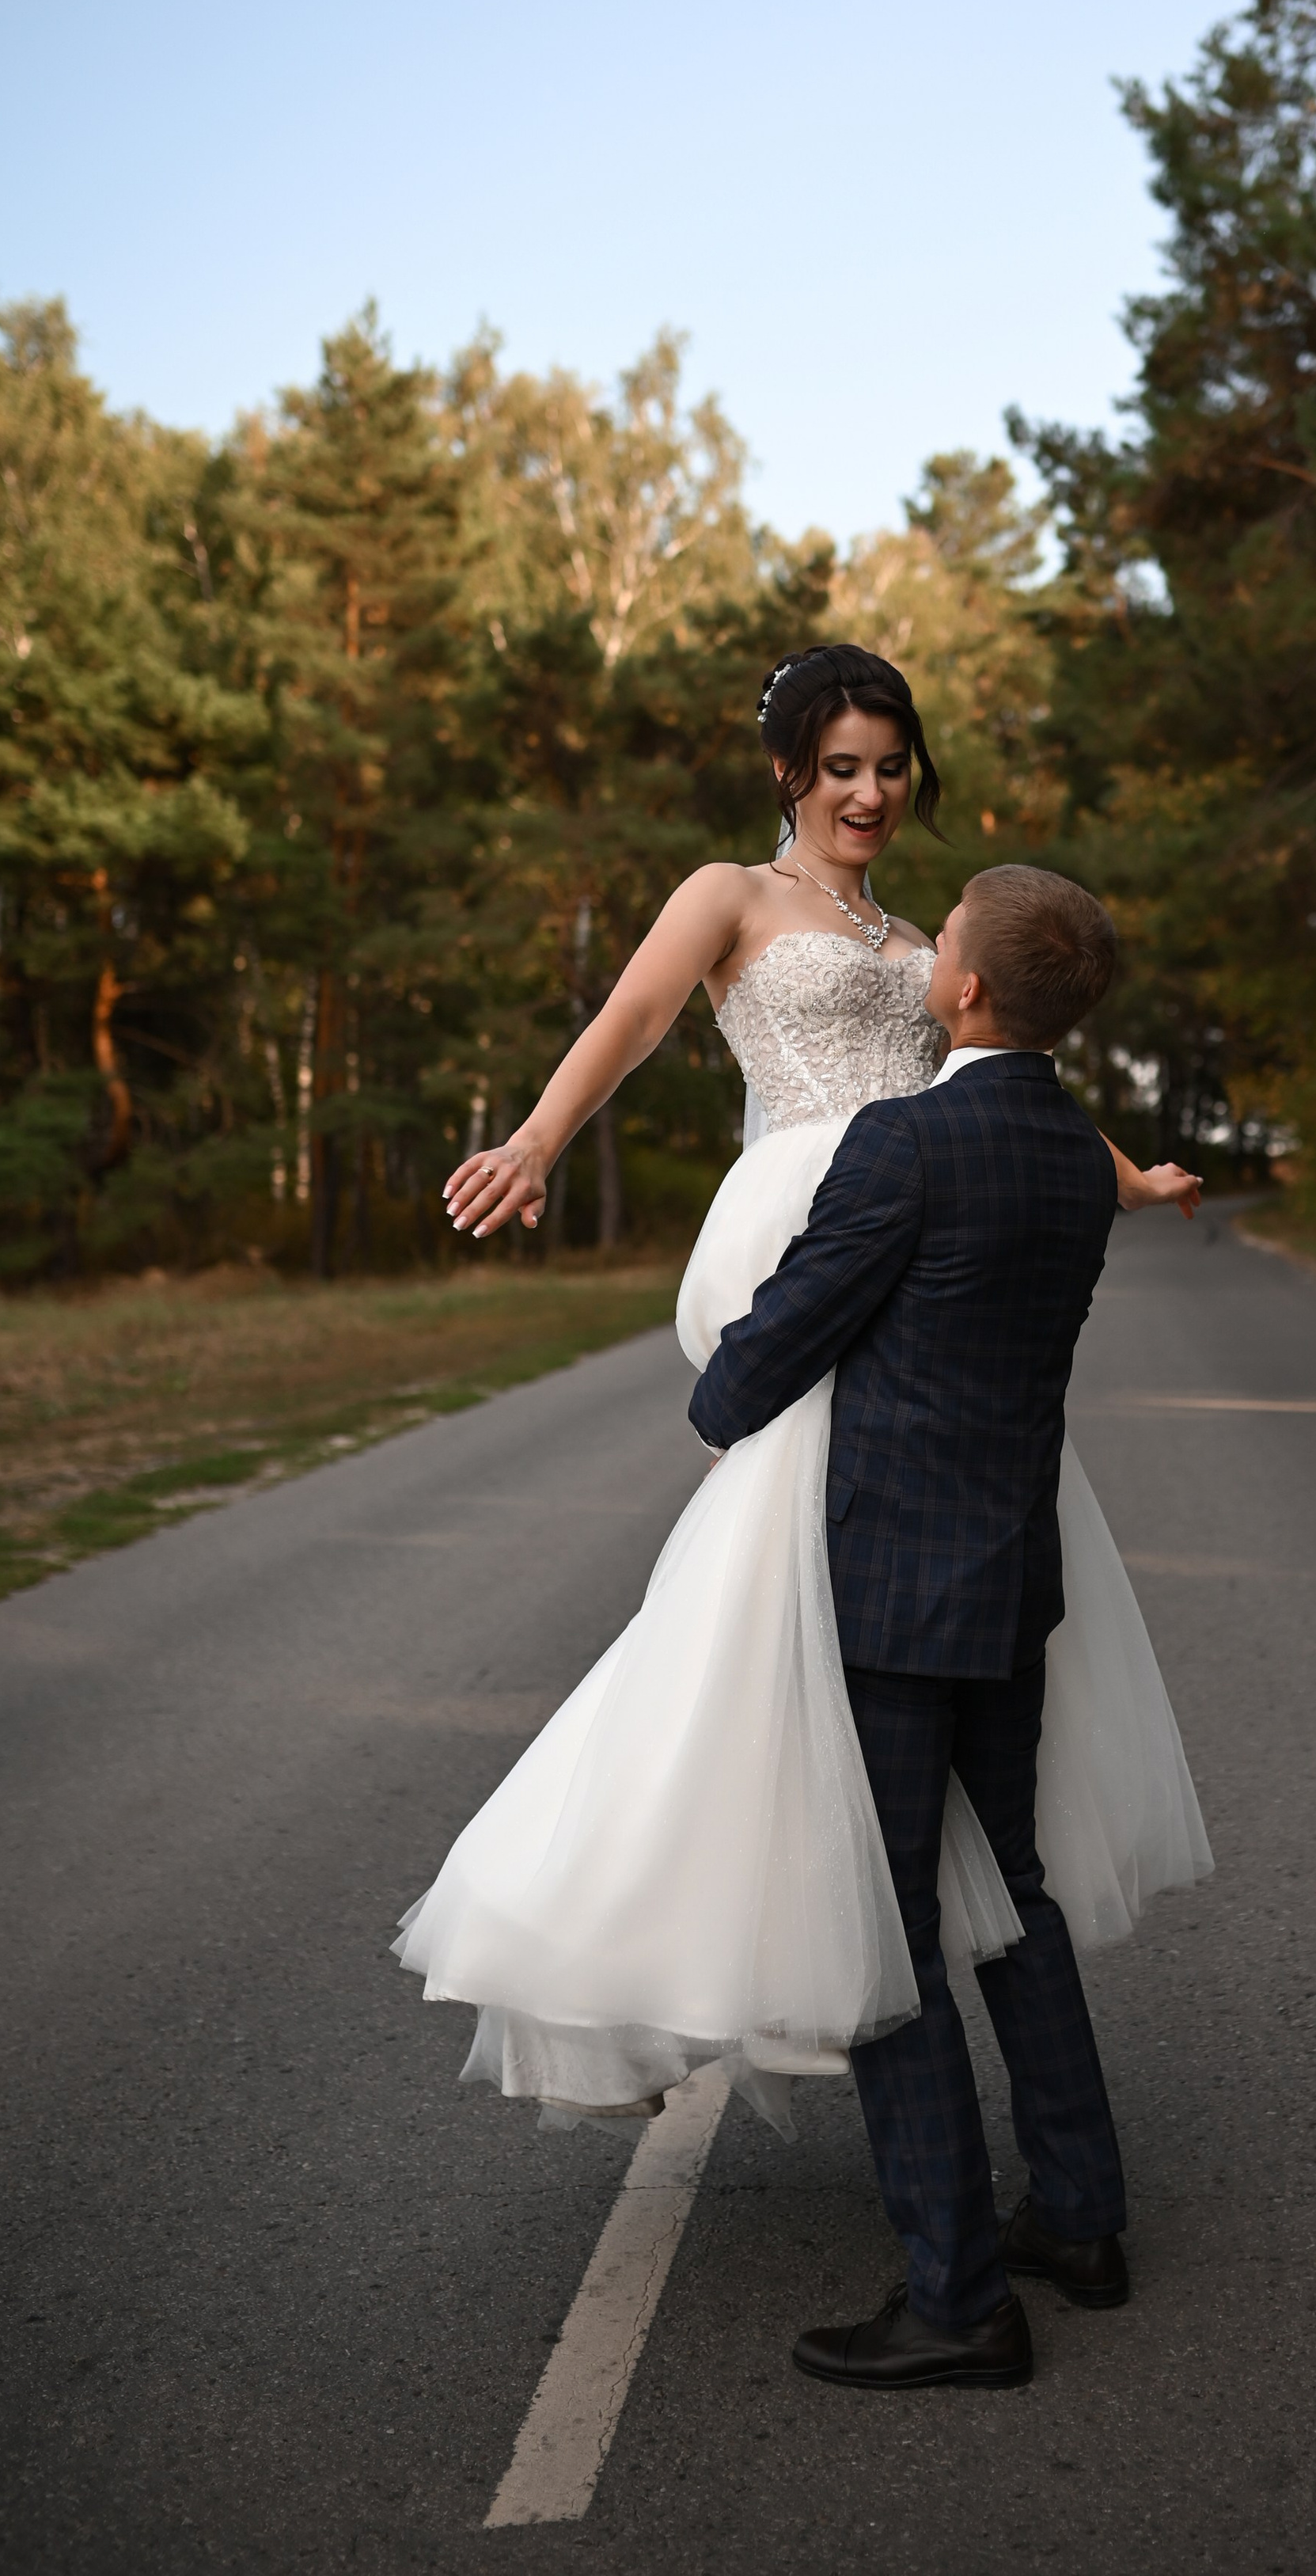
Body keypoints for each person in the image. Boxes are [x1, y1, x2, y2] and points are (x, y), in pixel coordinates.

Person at [394, 646, 1210, 2169]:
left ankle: (844, 1873)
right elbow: (632, 1021)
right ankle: (710, 1905)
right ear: (789, 772)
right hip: (808, 1219)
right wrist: (535, 1141)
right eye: (841, 765)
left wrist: (1124, 1173)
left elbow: (996, 1084)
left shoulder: (928, 937)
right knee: (786, 1557)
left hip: (903, 1216)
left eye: (892, 765)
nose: (872, 792)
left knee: (842, 1579)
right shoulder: (731, 897)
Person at [692, 861, 1141, 2391]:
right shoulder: (1076, 1161)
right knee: (1009, 1888)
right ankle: (1079, 2214)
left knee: (883, 1931)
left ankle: (957, 2297)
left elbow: (763, 1360)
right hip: (1010, 1582)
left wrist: (719, 1382)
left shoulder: (906, 1144)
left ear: (961, 991)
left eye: (942, 937)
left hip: (889, 1594)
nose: (927, 947)